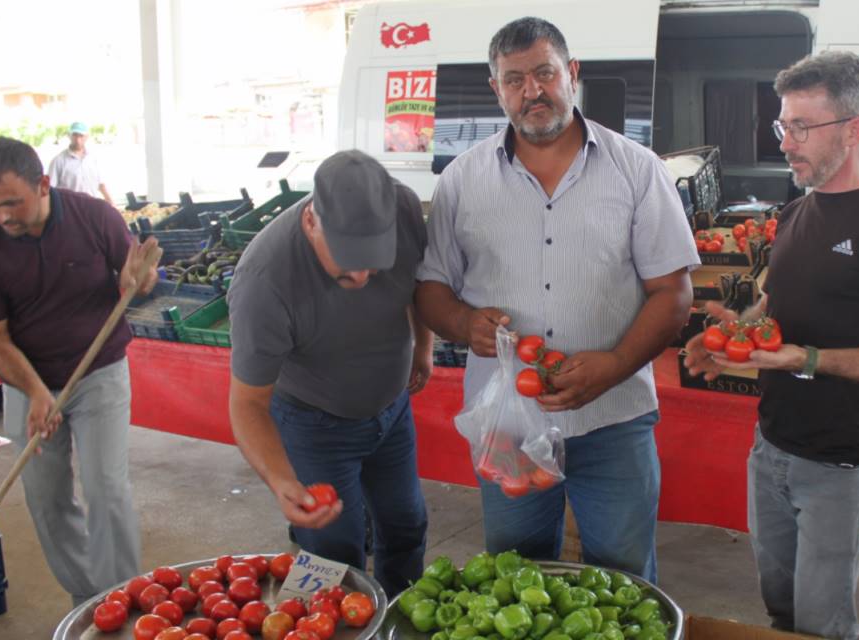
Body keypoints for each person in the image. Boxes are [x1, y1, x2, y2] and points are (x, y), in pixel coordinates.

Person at [415, 17, 699, 583]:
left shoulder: (638, 171)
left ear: (571, 74)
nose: (532, 91)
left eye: (544, 73)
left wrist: (616, 366)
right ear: (496, 90)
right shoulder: (461, 181)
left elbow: (674, 293)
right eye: (514, 80)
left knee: (623, 580)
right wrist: (462, 321)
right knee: (516, 578)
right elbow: (430, 290)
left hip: (613, 419)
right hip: (508, 426)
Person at [684, 51, 859, 640]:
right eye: (784, 125)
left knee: (823, 626)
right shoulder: (796, 214)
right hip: (770, 449)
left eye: (802, 127)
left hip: (841, 467)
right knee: (781, 615)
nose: (785, 142)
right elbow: (771, 309)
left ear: (854, 130)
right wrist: (733, 331)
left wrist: (806, 359)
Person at [0, 136, 159, 606]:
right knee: (46, 498)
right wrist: (35, 392)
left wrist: (138, 281)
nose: (2, 216)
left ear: (44, 184)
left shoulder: (95, 218)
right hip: (26, 382)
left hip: (99, 373)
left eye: (12, 202)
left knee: (105, 488)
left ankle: (125, 600)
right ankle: (91, 598)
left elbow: (137, 281)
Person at [227, 149, 432, 596]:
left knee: (406, 525)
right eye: (345, 264)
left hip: (392, 410)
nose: (360, 277)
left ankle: (398, 619)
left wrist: (424, 346)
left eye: (372, 262)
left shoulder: (403, 208)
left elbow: (419, 283)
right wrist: (281, 481)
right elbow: (247, 403)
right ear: (310, 221)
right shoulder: (265, 280)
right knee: (332, 554)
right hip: (314, 423)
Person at [47, 121, 112, 203]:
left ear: (87, 137)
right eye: (75, 135)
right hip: (70, 209)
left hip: (91, 207)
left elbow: (101, 184)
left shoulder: (93, 159)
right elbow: (50, 190)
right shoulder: (58, 161)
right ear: (69, 136)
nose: (78, 140)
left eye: (81, 136)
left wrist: (111, 203)